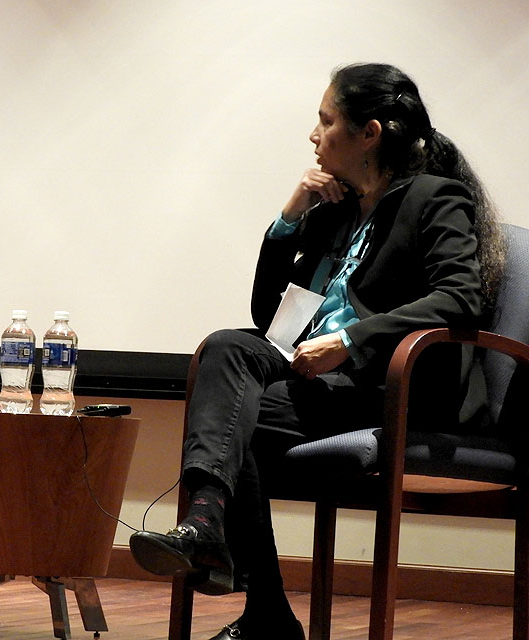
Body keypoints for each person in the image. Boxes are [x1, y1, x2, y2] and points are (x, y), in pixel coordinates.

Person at [128, 63, 505, 640]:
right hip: (309, 373)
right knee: (228, 348)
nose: (314, 135)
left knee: (242, 423)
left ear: (369, 133)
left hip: (386, 386)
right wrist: (290, 217)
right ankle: (210, 527)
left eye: (326, 121)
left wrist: (353, 338)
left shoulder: (434, 198)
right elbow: (266, 316)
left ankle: (259, 604)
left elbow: (460, 297)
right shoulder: (335, 210)